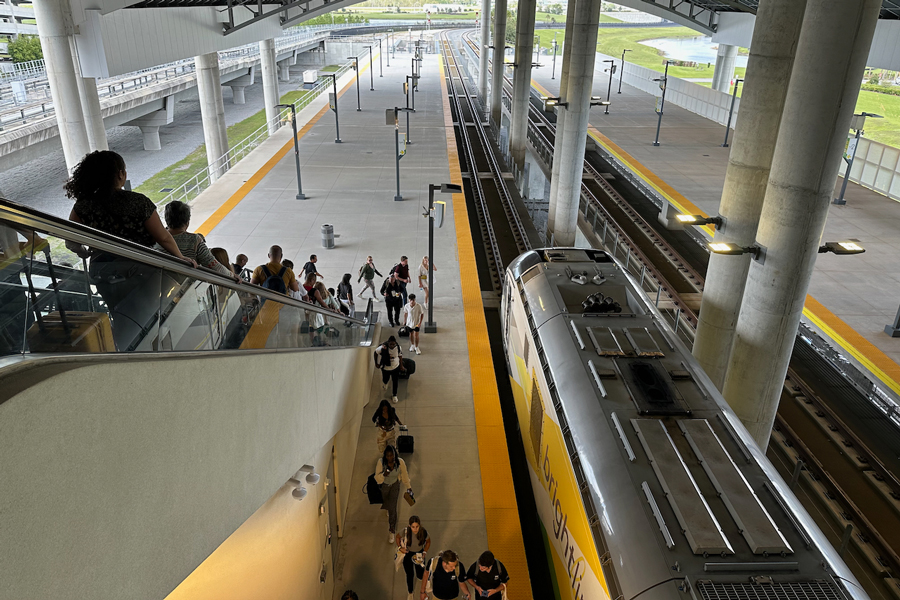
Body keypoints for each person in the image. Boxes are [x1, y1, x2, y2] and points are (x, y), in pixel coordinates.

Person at [64, 151, 191, 263]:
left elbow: (71, 242)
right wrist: (180, 257)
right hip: (141, 267)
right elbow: (163, 238)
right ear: (120, 174)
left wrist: (83, 253)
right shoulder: (139, 202)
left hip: (102, 270)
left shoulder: (82, 206)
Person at [160, 201, 235, 278]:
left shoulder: (156, 237)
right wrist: (232, 276)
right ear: (187, 221)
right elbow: (215, 266)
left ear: (166, 219)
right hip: (185, 284)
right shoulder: (194, 240)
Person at [373, 445, 411, 543]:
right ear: (385, 456)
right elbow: (377, 478)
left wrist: (408, 487)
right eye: (388, 456)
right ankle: (388, 507)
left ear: (395, 454)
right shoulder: (381, 462)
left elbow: (405, 475)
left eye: (392, 455)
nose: (390, 458)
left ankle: (392, 530)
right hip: (384, 486)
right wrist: (384, 475)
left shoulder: (400, 462)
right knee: (386, 502)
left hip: (395, 485)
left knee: (393, 508)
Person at [397, 516, 431, 600]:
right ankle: (410, 592)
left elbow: (428, 542)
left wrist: (424, 552)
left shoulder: (423, 532)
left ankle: (421, 581)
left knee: (420, 573)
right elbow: (397, 537)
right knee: (409, 574)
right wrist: (400, 548)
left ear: (419, 525)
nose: (415, 529)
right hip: (408, 554)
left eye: (417, 527)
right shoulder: (405, 531)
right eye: (413, 527)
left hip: (419, 553)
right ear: (409, 526)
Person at [375, 336, 404, 403]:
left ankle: (394, 395)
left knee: (395, 381)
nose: (392, 346)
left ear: (395, 343)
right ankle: (385, 383)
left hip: (395, 367)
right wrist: (376, 363)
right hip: (386, 368)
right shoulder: (383, 347)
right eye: (390, 344)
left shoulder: (398, 348)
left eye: (393, 344)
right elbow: (376, 353)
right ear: (388, 343)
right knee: (385, 379)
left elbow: (400, 356)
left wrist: (401, 365)